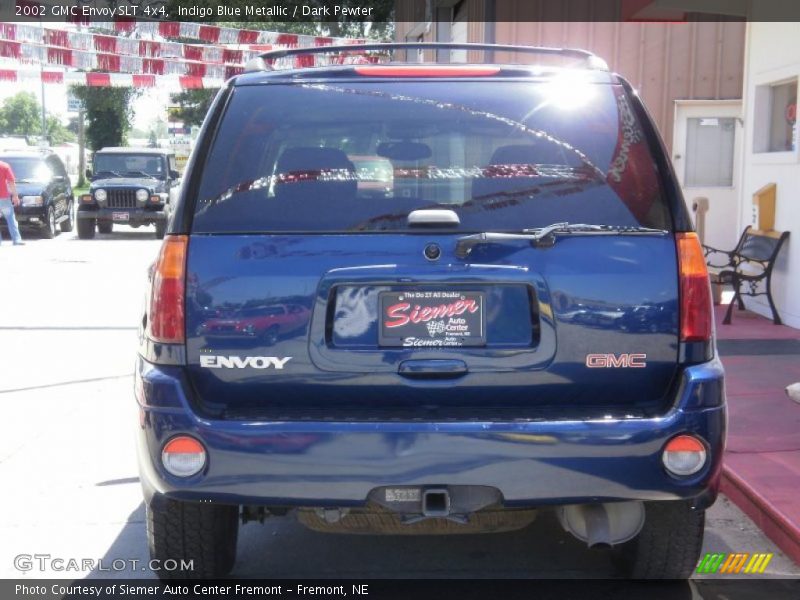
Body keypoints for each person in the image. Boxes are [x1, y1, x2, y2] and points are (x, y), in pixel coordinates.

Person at [0, 159, 24, 245]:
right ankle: (16, 239)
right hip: (3, 198)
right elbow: (11, 182)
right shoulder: (4, 166)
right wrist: (15, 196)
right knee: (10, 218)